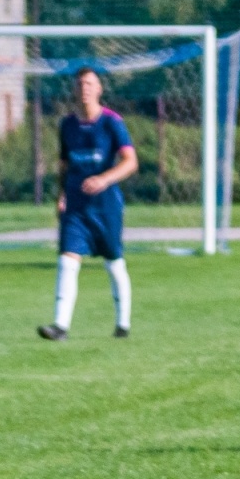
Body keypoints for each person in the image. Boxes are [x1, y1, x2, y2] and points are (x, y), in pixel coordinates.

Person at [37, 67, 138, 341]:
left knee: (114, 262)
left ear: (99, 89)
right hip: (76, 206)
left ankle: (123, 324)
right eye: (80, 84)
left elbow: (130, 161)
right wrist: (61, 195)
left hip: (106, 206)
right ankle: (60, 326)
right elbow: (64, 165)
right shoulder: (67, 124)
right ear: (74, 89)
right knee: (67, 260)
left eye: (90, 84)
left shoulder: (112, 123)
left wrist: (105, 179)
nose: (85, 88)